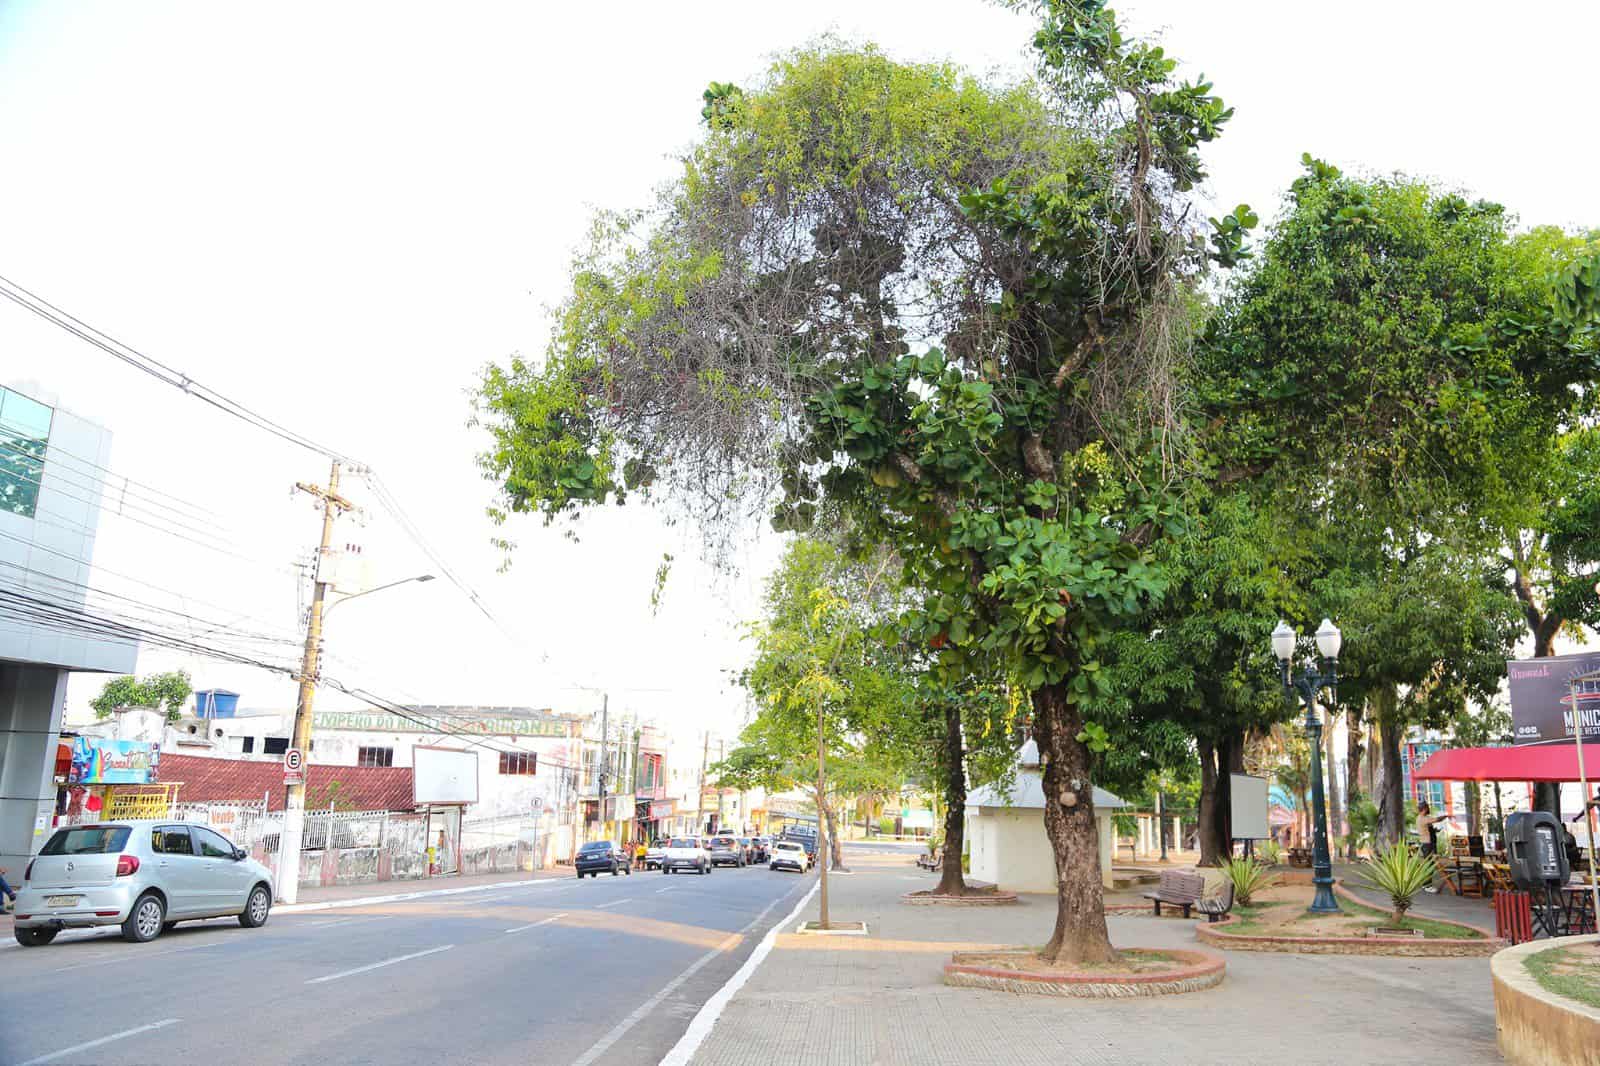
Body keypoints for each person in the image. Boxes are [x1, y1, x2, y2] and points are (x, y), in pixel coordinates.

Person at [1417, 802, 1447, 893]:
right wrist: (1446, 816)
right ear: (1424, 809)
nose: (1429, 809)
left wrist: (1435, 830)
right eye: (1428, 808)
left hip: (1428, 844)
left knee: (1429, 864)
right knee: (1429, 865)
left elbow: (1429, 828)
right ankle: (1427, 886)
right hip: (1427, 845)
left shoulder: (1422, 818)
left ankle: (1425, 884)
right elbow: (1437, 819)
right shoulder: (1423, 818)